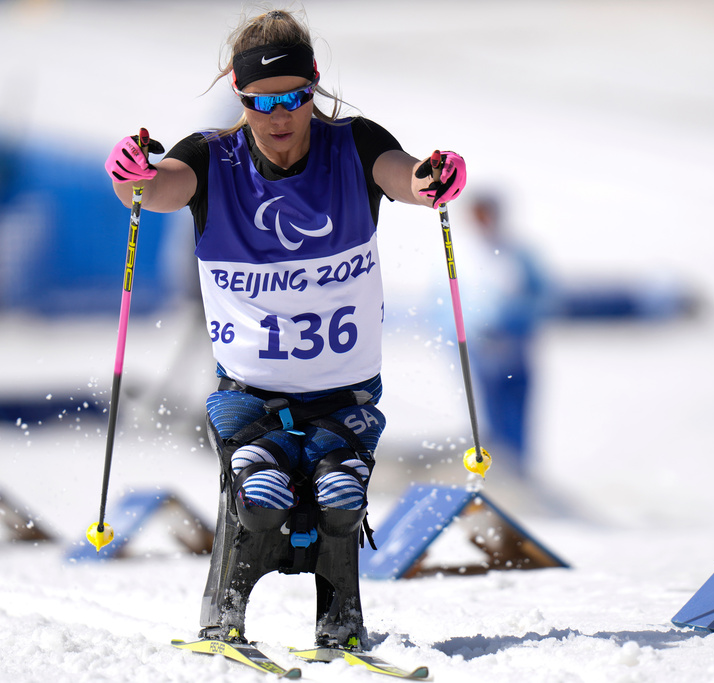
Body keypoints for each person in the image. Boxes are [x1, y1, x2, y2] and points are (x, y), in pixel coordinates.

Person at [104, 8, 466, 649]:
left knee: (338, 500)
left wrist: (430, 179)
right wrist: (129, 175)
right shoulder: (213, 159)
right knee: (263, 497)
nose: (278, 116)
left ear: (314, 87)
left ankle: (341, 621)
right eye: (260, 101)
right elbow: (157, 190)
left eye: (294, 97)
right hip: (251, 398)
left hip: (344, 397)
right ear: (240, 97)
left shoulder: (350, 144)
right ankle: (224, 615)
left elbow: (403, 175)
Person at [461, 193, 549, 479]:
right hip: (478, 349)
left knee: (517, 410)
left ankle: (520, 473)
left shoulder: (519, 253)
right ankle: (494, 473)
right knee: (486, 413)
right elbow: (444, 307)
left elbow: (544, 297)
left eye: (486, 214)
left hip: (514, 346)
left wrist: (514, 325)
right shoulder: (459, 255)